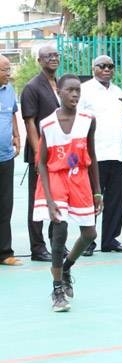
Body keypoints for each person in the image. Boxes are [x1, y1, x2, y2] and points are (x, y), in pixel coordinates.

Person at [32, 74, 102, 312]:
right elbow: (41, 162)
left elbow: (92, 158)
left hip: (80, 178)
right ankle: (57, 289)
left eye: (78, 91)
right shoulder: (47, 124)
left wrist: (98, 192)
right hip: (56, 178)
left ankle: (67, 267)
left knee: (90, 233)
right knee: (59, 229)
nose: (75, 95)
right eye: (70, 90)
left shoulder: (88, 120)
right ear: (59, 92)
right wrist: (50, 200)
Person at [78, 55, 122, 253]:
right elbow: (78, 122)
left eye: (110, 66)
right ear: (93, 68)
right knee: (92, 197)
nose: (107, 69)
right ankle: (87, 242)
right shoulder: (84, 90)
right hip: (95, 155)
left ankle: (110, 240)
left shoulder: (119, 91)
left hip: (117, 153)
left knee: (117, 199)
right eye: (102, 66)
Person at [21, 45, 60, 262]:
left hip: (60, 152)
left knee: (58, 199)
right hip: (42, 155)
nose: (53, 58)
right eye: (48, 56)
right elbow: (30, 123)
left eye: (56, 55)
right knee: (37, 202)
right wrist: (38, 155)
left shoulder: (61, 84)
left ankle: (56, 243)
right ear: (39, 60)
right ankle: (37, 248)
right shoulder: (32, 87)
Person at [0, 54, 22, 266]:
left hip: (5, 157)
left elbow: (12, 114)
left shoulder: (9, 91)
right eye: (5, 70)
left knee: (5, 205)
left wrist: (16, 135)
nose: (9, 74)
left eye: (9, 69)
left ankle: (5, 252)